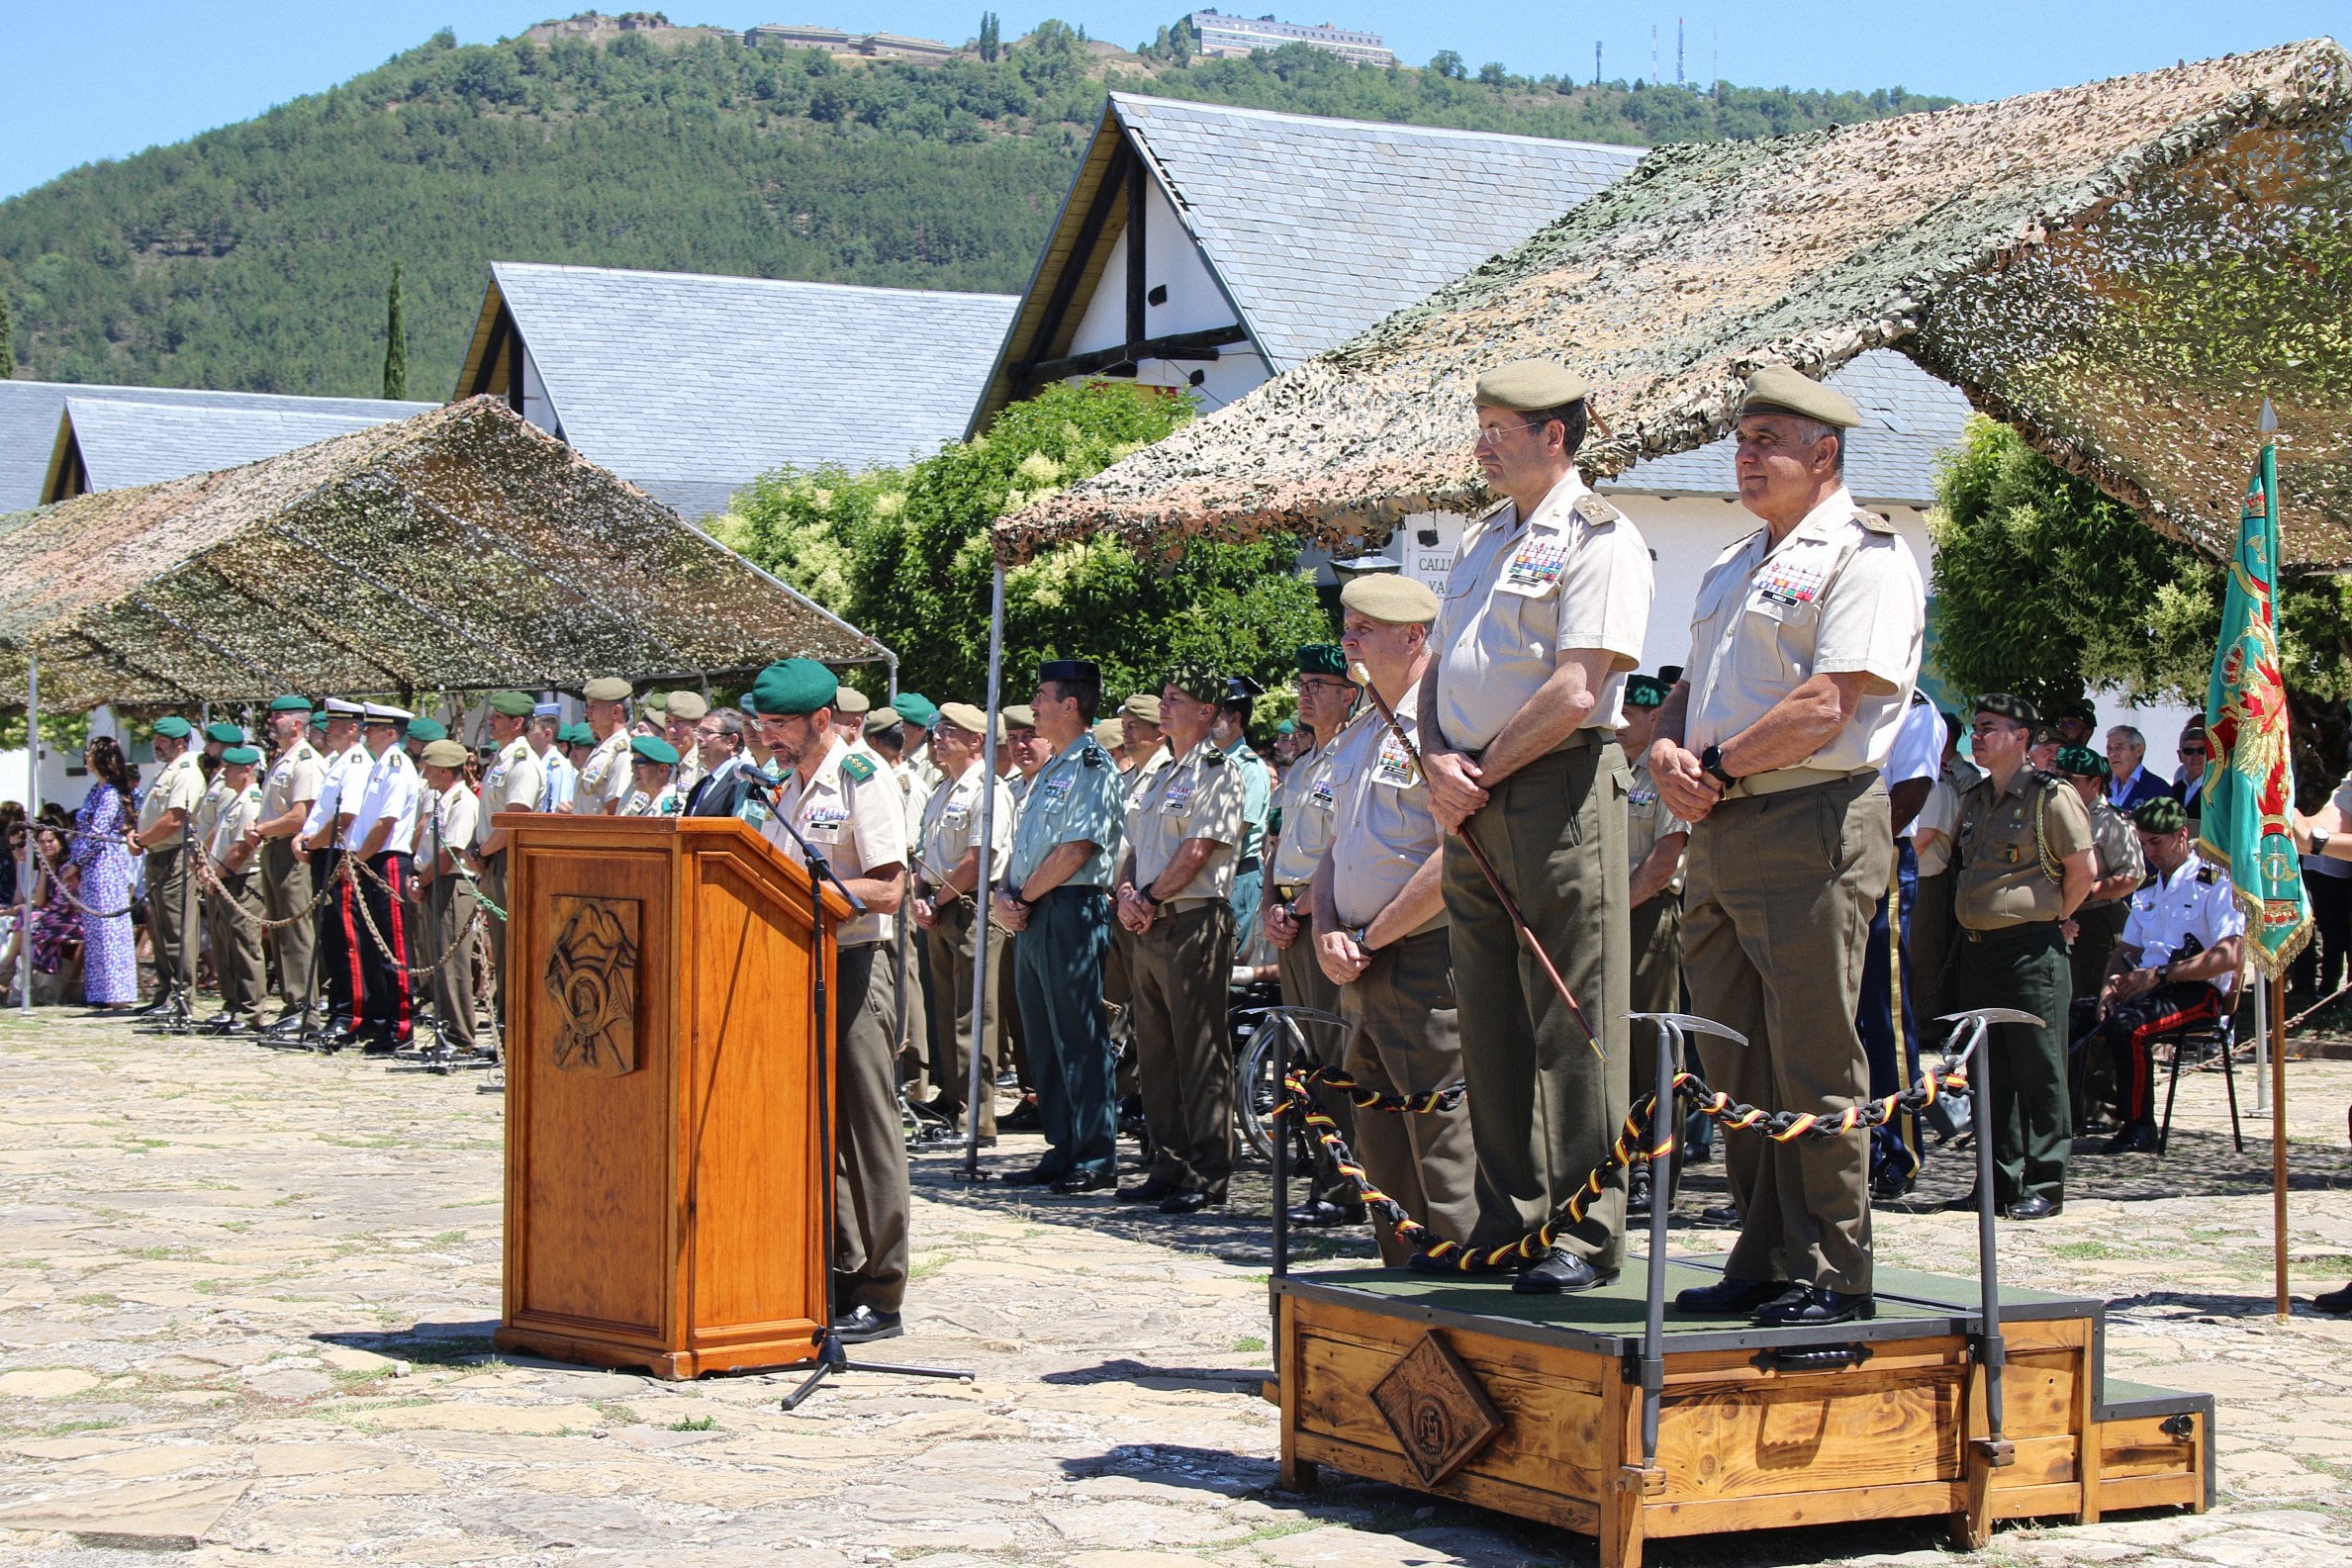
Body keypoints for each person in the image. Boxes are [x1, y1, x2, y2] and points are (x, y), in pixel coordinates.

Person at [1652, 365, 1926, 1328]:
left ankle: (1832, 1267)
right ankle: (1762, 1251)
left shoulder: (1867, 556)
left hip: (1813, 817)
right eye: (1740, 440)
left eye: (1768, 440)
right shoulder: (1734, 562)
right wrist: (1665, 747)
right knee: (1735, 1059)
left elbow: (1825, 703)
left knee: (1812, 1054)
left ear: (1824, 455)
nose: (1747, 456)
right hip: (1722, 824)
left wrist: (1711, 763)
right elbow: (1693, 686)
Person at [1419, 359, 1651, 1294]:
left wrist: (1474, 772)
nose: (1480, 443)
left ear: (1554, 435)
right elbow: (1439, 666)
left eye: (1498, 426)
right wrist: (1436, 756)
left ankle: (1584, 1226)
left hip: (1553, 785)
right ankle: (1507, 1215)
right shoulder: (1484, 538)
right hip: (1470, 793)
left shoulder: (1601, 536)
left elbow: (1578, 686)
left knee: (1571, 1011)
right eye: (1479, 423)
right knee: (1488, 1011)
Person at [1314, 575, 1480, 1264]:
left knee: (1440, 1144)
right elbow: (1335, 844)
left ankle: (1460, 1288)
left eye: (1363, 629)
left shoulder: (1446, 726)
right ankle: (1400, 1282)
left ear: (1413, 636)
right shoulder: (1362, 729)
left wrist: (1368, 936)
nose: (1347, 639)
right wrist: (1328, 925)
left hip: (1417, 955)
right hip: (1357, 956)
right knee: (1379, 1139)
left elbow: (1454, 856)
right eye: (1347, 626)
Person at [749, 659, 911, 1344]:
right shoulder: (784, 787)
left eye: (781, 723)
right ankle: (840, 1269)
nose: (769, 735)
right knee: (821, 1125)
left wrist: (813, 898)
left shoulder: (860, 780)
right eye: (764, 724)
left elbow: (888, 888)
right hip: (797, 966)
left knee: (868, 1128)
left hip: (854, 963)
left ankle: (883, 1284)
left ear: (821, 718)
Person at [1947, 694, 2096, 1219]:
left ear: (2022, 737)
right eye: (1974, 729)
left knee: (2040, 1070)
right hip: (1980, 952)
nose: (1977, 738)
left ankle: (2046, 1183)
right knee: (1990, 1073)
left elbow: (2082, 872)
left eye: (1989, 728)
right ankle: (1997, 1182)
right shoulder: (1976, 796)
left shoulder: (2050, 797)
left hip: (2032, 952)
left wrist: (2051, 917)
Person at [1117, 662, 1248, 1214]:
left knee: (1198, 1050)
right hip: (1147, 924)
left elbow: (1197, 851)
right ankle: (1167, 1163)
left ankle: (1207, 1169)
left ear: (1207, 711)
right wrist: (1127, 894)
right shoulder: (1154, 775)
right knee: (1155, 1051)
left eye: (1177, 698)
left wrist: (1145, 898)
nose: (1165, 705)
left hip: (1192, 921)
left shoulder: (1219, 772)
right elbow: (1131, 847)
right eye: (1163, 696)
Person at [995, 660, 1126, 1192]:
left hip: (1070, 908)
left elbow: (1076, 849)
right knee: (1043, 1035)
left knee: (1078, 1033)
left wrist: (1022, 895)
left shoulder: (1092, 767)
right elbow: (1026, 846)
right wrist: (1007, 894)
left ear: (1070, 705)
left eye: (1042, 696)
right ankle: (1062, 1144)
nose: (1034, 706)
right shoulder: (1052, 769)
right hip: (1033, 909)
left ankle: (1095, 1154)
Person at [2078, 796, 2245, 1154]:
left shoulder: (2214, 882)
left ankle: (2139, 1125)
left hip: (2196, 991)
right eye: (2143, 842)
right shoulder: (2149, 890)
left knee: (2128, 1027)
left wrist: (2163, 974)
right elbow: (2126, 952)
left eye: (2157, 842)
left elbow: (2230, 955)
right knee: (2076, 1015)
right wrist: (2109, 986)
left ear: (2182, 835)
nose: (2149, 851)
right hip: (2149, 986)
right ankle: (2067, 1116)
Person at [1265, 643, 1364, 1229]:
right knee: (1305, 1055)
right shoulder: (1302, 764)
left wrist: (1299, 907)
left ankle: (1347, 1185)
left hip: (1324, 915)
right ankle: (1322, 1175)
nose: (1304, 693)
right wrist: (1272, 910)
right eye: (1302, 682)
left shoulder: (1351, 755)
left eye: (1318, 684)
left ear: (1348, 695)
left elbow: (1342, 846)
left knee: (1336, 1054)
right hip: (1290, 918)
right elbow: (1279, 845)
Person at [910, 704, 1014, 1140]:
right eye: (937, 730)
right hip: (939, 905)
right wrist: (920, 896)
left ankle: (977, 1115)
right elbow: (924, 853)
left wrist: (936, 897)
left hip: (971, 907)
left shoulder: (987, 790)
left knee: (974, 1015)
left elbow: (978, 858)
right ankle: (953, 1101)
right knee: (945, 1009)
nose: (937, 737)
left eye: (949, 730)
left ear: (977, 741)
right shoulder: (942, 789)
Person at [1858, 692, 1943, 1199]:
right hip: (1827, 861)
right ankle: (1854, 1144)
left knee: (1884, 1015)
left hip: (1882, 857)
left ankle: (1899, 1150)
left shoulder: (1915, 709)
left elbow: (1910, 794)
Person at [1619, 673, 1694, 1209]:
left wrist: (1611, 910)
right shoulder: (1608, 771)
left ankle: (1658, 1165)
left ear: (1654, 718)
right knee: (1613, 1047)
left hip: (1648, 918)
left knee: (1652, 1045)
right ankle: (1619, 1160)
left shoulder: (1663, 774)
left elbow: (1664, 859)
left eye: (1633, 712)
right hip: (1607, 920)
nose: (1621, 721)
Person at [2056, 744, 2148, 1128]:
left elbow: (2132, 875)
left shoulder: (2111, 823)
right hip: (2064, 919)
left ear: (2094, 783)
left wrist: (2085, 890)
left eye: (2070, 779)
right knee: (2067, 1014)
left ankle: (2104, 1106)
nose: (2061, 784)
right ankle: (2070, 1106)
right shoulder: (2058, 814)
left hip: (2099, 923)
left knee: (2099, 1013)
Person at [346, 704, 422, 1055]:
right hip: (372, 859)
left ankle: (401, 1026)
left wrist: (358, 859)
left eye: (372, 729)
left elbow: (386, 822)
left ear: (391, 733)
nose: (365, 733)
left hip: (388, 859)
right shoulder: (380, 765)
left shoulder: (396, 765)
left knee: (393, 948)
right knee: (377, 949)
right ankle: (384, 1021)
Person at [248, 696, 325, 1039]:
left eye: (278, 716)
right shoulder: (284, 759)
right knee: (279, 933)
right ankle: (292, 1003)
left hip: (291, 851)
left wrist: (261, 828)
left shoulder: (306, 761)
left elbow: (301, 815)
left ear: (297, 723)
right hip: (273, 848)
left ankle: (305, 1008)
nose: (271, 720)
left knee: (296, 933)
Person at [296, 700, 370, 1042]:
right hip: (322, 852)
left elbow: (346, 817)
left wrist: (313, 843)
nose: (328, 728)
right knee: (331, 939)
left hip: (338, 854)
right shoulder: (336, 761)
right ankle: (339, 1007)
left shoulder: (356, 763)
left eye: (337, 723)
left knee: (345, 940)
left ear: (353, 728)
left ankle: (350, 1014)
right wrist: (306, 839)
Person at [130, 715, 206, 1019]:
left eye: (161, 741)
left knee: (177, 929)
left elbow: (176, 818)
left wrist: (142, 839)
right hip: (159, 854)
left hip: (174, 855)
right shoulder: (168, 771)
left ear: (178, 742)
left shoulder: (186, 771)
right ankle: (165, 992)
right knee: (160, 929)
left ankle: (180, 995)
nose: (155, 745)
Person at [474, 692, 541, 1026]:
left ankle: (513, 1029)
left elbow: (514, 820)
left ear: (517, 723)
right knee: (500, 949)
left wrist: (481, 851)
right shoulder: (502, 760)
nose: (490, 720)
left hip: (508, 860)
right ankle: (506, 1026)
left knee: (511, 950)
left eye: (498, 716)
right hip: (494, 859)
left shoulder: (522, 764)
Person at [412, 738, 482, 1057]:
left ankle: (460, 1036)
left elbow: (450, 852)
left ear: (443, 769)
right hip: (436, 883)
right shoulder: (443, 799)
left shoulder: (462, 802)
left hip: (452, 885)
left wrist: (423, 881)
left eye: (428, 768)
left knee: (452, 963)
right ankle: (447, 1029)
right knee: (438, 960)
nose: (424, 774)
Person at [201, 746, 269, 1035]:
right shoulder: (235, 800)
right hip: (226, 877)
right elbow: (218, 837)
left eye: (229, 768)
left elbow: (241, 849)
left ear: (246, 772)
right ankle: (234, 1004)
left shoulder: (251, 801)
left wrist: (216, 875)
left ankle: (251, 1010)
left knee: (245, 945)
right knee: (227, 945)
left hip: (243, 878)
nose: (222, 772)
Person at [70, 736, 139, 1010]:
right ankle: (100, 990)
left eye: (89, 754)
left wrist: (75, 863)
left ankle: (117, 992)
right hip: (90, 867)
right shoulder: (94, 791)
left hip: (105, 866)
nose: (85, 758)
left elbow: (98, 833)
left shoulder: (110, 794)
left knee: (109, 928)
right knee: (96, 929)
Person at [1212, 680, 1272, 955]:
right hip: (1213, 876)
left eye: (1215, 713)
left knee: (1228, 965)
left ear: (1235, 718)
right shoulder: (1211, 762)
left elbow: (1234, 832)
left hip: (1237, 878)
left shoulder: (1249, 767)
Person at [575, 678, 635, 816]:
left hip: (595, 835)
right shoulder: (602, 749)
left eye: (593, 706)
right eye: (587, 706)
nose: (587, 712)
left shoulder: (622, 752)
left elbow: (613, 807)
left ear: (616, 712)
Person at [686, 710, 757, 818]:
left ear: (731, 741)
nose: (699, 738)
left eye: (707, 732)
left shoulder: (742, 782)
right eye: (699, 732)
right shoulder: (701, 785)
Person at [2105, 725, 2175, 811]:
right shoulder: (2102, 785)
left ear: (2139, 750)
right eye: (2109, 749)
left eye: (2119, 747)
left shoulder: (2158, 789)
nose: (2112, 754)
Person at [618, 735, 682, 815]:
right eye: (633, 763)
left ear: (662, 770)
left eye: (640, 763)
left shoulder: (672, 806)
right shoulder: (650, 803)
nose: (633, 770)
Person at [663, 692, 709, 795]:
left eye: (679, 722)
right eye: (668, 721)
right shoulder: (663, 760)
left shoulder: (704, 764)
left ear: (698, 725)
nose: (671, 730)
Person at [532, 706, 577, 813]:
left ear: (547, 734)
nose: (525, 734)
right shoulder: (539, 763)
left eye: (530, 730)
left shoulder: (558, 768)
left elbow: (556, 811)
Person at [2174, 720, 2209, 834]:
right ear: (2180, 756)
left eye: (2201, 751)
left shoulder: (2218, 790)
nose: (2195, 756)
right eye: (2189, 751)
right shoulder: (2173, 791)